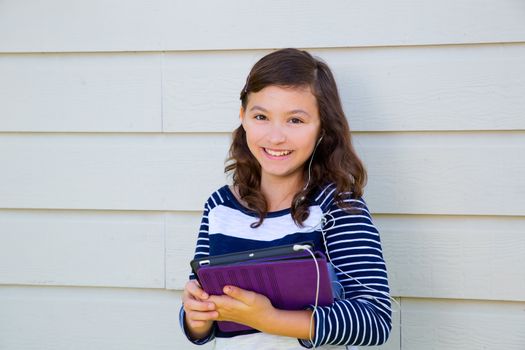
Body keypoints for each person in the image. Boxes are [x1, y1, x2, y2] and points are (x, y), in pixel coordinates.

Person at [180, 48, 392, 349]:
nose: (276, 137)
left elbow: (374, 320)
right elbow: (202, 316)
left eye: (295, 120)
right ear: (243, 117)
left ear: (323, 128)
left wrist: (270, 320)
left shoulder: (337, 207)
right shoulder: (219, 207)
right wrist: (196, 317)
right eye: (261, 116)